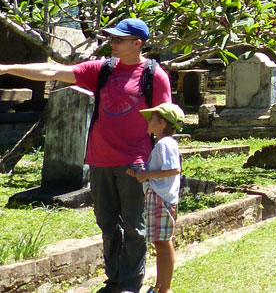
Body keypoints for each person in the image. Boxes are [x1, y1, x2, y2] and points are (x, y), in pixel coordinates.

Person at [0, 18, 172, 293]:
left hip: (134, 163)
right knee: (107, 224)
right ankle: (114, 281)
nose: (112, 43)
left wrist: (159, 167)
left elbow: (166, 120)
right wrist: (7, 68)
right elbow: (52, 71)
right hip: (100, 159)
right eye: (112, 39)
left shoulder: (154, 75)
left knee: (134, 227)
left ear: (137, 43)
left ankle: (129, 285)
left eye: (118, 40)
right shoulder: (101, 69)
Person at [129, 103, 183, 293]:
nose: (147, 123)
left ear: (162, 123)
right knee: (159, 242)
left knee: (162, 241)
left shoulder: (164, 143)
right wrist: (141, 172)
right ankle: (161, 286)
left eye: (151, 119)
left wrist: (147, 175)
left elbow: (174, 169)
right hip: (157, 196)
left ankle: (165, 289)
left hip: (161, 198)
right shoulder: (162, 143)